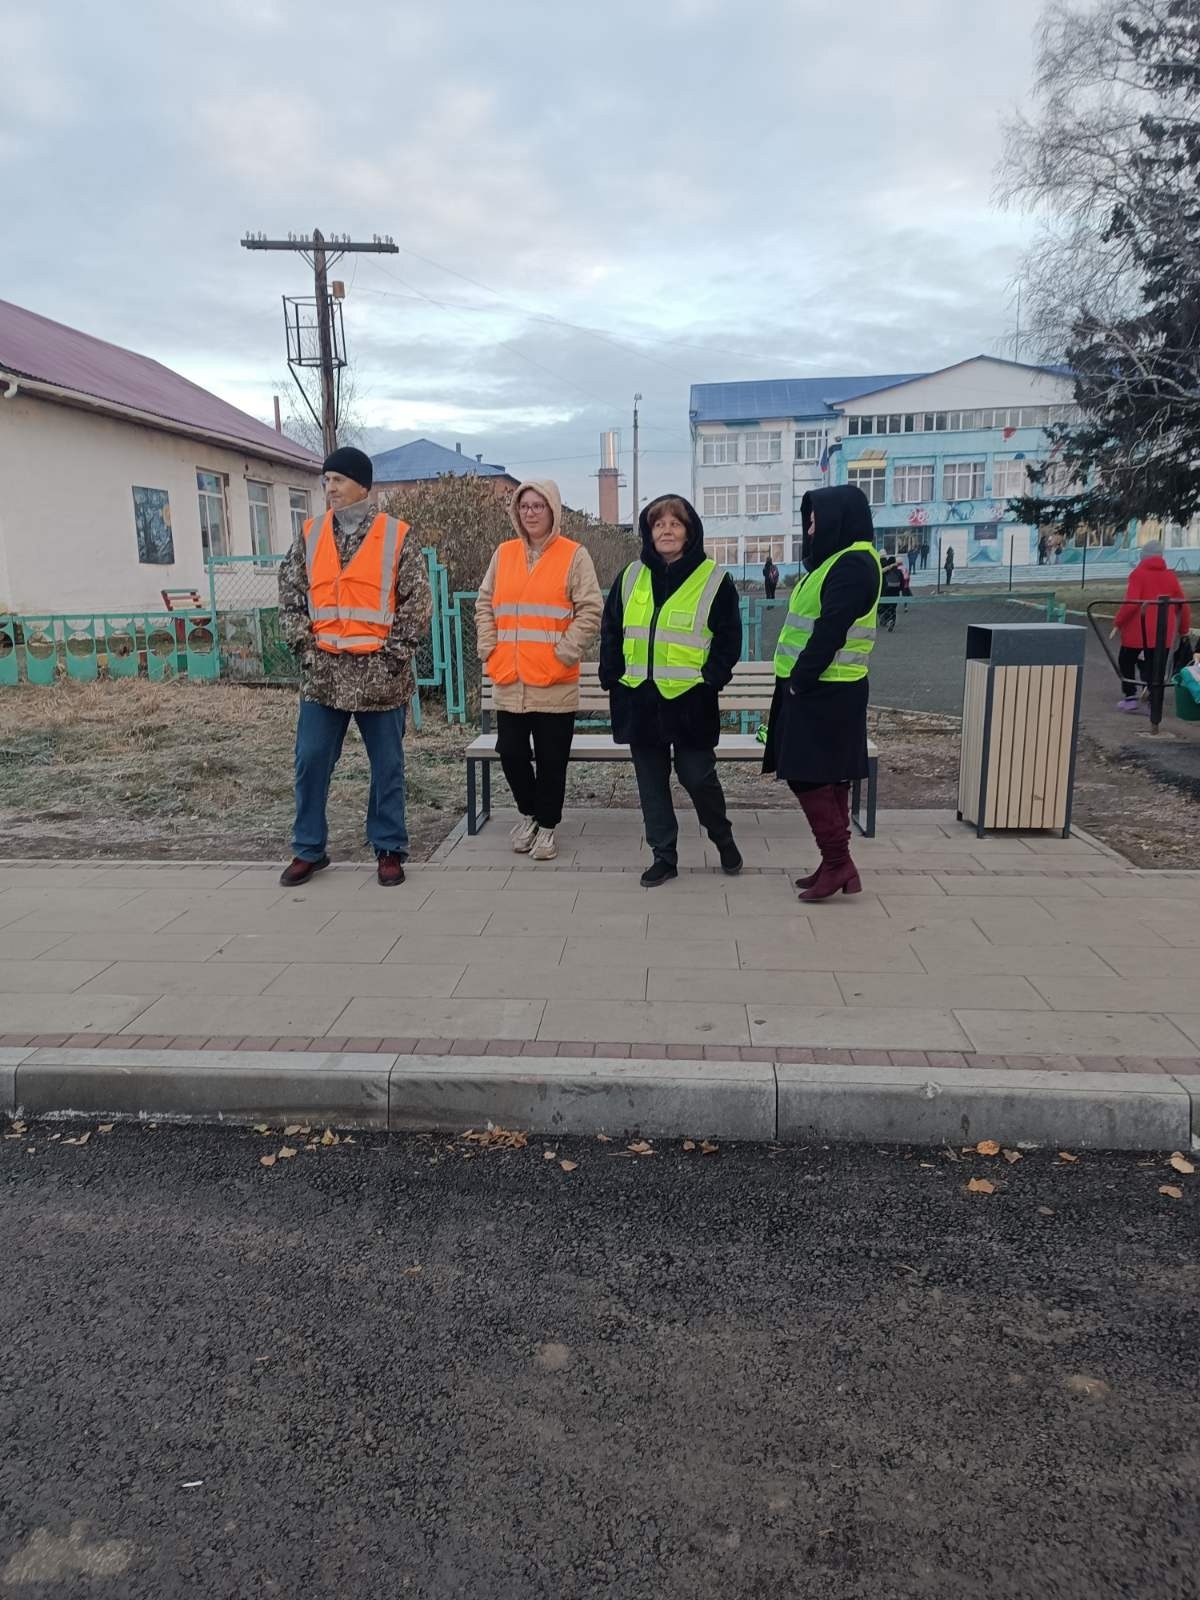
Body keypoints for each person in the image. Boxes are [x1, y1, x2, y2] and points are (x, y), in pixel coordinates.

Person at [276, 446, 432, 888]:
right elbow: (289, 598)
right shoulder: (309, 535)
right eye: (325, 481)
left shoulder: (397, 536)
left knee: (387, 768)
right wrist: (307, 652)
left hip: (381, 681)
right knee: (310, 761)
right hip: (323, 679)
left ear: (363, 484)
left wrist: (393, 659)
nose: (329, 490)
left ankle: (388, 849)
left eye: (337, 481)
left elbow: (417, 604)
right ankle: (308, 849)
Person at [599, 494, 743, 887]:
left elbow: (729, 638)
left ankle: (722, 837)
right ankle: (664, 856)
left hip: (690, 703)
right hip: (639, 701)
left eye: (674, 523)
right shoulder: (630, 576)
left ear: (689, 531)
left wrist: (713, 676)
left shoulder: (714, 579)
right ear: (648, 532)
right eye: (658, 523)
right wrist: (610, 672)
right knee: (651, 784)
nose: (666, 530)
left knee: (697, 777)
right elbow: (611, 629)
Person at [762, 484, 882, 903]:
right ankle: (836, 861)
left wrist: (799, 680)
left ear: (838, 519)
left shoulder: (852, 564)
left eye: (815, 520)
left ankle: (837, 862)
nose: (810, 528)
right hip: (822, 688)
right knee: (827, 774)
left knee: (808, 774)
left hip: (824, 690)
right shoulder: (839, 561)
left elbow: (830, 629)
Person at [475, 480, 602, 861]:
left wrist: (565, 652)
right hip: (509, 678)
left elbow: (591, 609)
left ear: (553, 510)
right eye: (524, 506)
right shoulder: (504, 553)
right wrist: (488, 646)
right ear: (516, 511)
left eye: (538, 506)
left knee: (551, 760)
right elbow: (484, 604)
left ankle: (547, 827)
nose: (530, 512)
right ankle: (530, 813)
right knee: (510, 752)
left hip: (554, 681)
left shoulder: (574, 555)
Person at [1110, 539, 1192, 712]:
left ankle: (1130, 696)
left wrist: (1118, 622)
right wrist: (1183, 630)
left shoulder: (1138, 574)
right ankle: (1153, 702)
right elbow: (1182, 604)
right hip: (1164, 631)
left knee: (1126, 660)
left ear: (1143, 557)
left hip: (1138, 631)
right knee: (1155, 665)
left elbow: (1132, 603)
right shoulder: (1170, 576)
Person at [879, 555, 905, 632]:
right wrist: (900, 590)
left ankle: (885, 620)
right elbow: (902, 584)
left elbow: (882, 582)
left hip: (887, 592)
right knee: (893, 609)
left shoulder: (886, 572)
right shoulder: (899, 572)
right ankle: (892, 622)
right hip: (896, 593)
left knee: (885, 608)